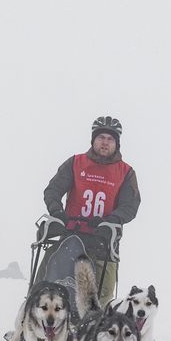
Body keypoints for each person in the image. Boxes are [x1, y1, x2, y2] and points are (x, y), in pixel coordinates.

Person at [41, 116, 140, 301]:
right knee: (46, 278)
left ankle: (98, 326)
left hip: (103, 241)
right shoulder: (75, 163)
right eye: (101, 137)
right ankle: (32, 315)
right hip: (70, 235)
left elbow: (131, 205)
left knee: (103, 297)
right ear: (93, 140)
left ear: (117, 143)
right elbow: (53, 190)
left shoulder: (126, 172)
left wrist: (111, 220)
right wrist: (57, 213)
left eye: (110, 139)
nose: (105, 142)